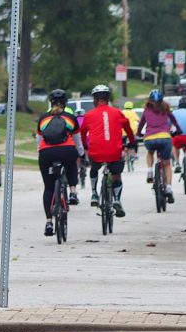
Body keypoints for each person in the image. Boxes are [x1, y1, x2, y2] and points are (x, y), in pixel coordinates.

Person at [79, 85, 136, 217]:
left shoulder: (88, 115)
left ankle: (94, 193)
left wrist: (84, 147)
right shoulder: (117, 113)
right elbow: (128, 129)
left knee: (94, 169)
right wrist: (132, 142)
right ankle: (116, 199)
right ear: (108, 98)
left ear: (95, 99)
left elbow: (82, 133)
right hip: (114, 153)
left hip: (96, 152)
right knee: (116, 174)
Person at [35, 89, 83, 236]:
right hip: (66, 150)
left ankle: (49, 222)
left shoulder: (43, 118)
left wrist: (42, 153)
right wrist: (80, 154)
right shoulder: (70, 117)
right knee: (71, 164)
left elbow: (38, 141)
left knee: (48, 188)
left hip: (47, 153)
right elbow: (77, 141)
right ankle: (73, 192)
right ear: (65, 103)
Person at [136, 90, 180, 203]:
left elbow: (141, 123)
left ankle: (150, 171)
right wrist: (179, 130)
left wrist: (139, 134)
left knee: (150, 152)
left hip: (150, 138)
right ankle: (169, 189)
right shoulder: (166, 109)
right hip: (165, 138)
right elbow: (173, 120)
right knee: (166, 164)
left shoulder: (146, 110)